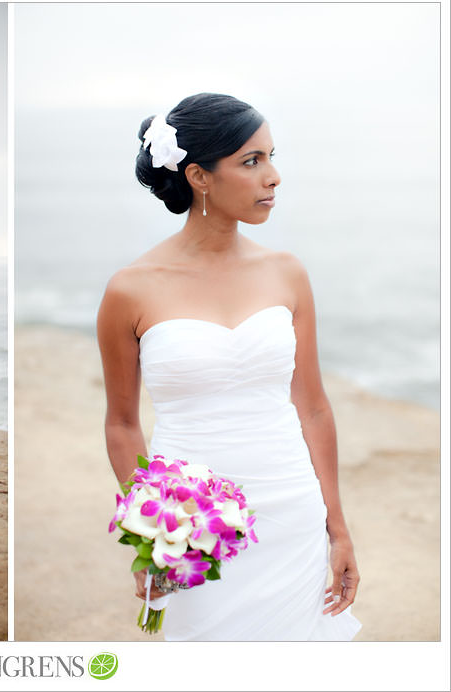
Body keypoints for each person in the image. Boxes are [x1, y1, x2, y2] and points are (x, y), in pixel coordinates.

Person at [96, 93, 361, 641]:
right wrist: (148, 534)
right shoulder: (130, 290)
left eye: (270, 157)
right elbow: (122, 424)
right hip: (196, 527)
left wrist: (337, 527)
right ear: (199, 176)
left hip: (292, 510)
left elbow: (312, 405)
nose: (273, 177)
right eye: (251, 161)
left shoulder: (287, 273)